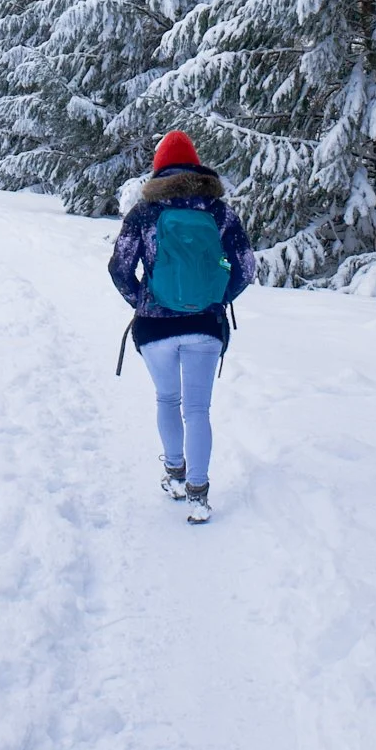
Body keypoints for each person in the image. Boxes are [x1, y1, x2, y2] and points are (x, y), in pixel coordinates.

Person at [109, 129, 254, 523]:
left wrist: (142, 299)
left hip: (155, 327)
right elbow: (246, 266)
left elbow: (120, 268)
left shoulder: (144, 213)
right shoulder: (219, 212)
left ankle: (174, 473)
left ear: (158, 170)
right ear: (195, 165)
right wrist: (218, 298)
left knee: (167, 401)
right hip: (205, 327)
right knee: (198, 410)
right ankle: (198, 494)